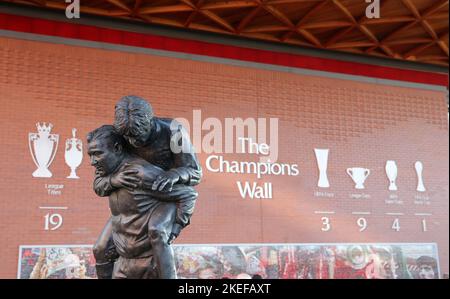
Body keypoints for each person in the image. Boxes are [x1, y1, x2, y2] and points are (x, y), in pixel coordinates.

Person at [92, 95, 202, 279]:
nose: (132, 142)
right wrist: (115, 180)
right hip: (130, 203)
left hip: (164, 196)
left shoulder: (173, 131)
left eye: (137, 136)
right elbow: (99, 181)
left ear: (151, 121)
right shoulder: (118, 136)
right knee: (101, 248)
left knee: (158, 233)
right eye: (127, 137)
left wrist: (174, 174)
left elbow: (195, 172)